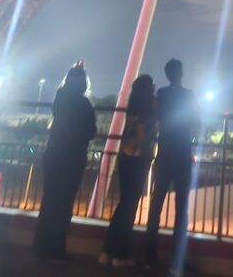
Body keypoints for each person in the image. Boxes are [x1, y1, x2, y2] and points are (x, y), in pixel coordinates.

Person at [34, 62, 97, 261]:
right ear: (84, 85)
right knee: (65, 203)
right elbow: (91, 131)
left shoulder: (59, 98)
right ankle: (57, 246)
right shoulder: (84, 105)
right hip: (74, 156)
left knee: (50, 198)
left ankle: (40, 244)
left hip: (54, 153)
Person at [145, 60, 199, 274]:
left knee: (156, 205)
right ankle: (176, 260)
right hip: (182, 154)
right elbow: (197, 121)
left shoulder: (162, 95)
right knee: (181, 210)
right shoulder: (189, 96)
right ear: (182, 73)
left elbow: (155, 119)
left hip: (165, 153)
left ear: (167, 74)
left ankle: (149, 256)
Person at [102, 75, 157, 266]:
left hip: (124, 156)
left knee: (123, 203)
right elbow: (143, 133)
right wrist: (147, 153)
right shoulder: (149, 109)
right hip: (138, 158)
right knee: (129, 206)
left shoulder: (132, 106)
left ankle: (108, 251)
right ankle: (120, 255)